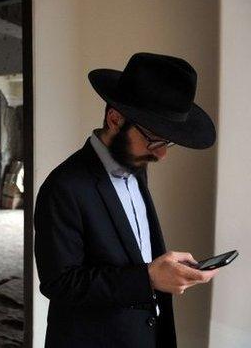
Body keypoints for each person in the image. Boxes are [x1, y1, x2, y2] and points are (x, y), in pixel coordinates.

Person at [34, 53, 219, 348]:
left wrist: (164, 266)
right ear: (115, 119)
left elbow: (131, 246)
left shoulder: (136, 165)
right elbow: (59, 283)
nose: (161, 154)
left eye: (167, 142)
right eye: (154, 140)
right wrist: (148, 279)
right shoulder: (63, 186)